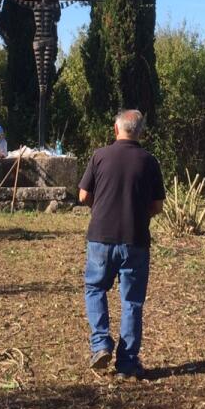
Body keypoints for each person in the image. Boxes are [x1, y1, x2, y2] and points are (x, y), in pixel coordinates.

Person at [79, 109, 166, 381]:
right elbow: (157, 206)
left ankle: (101, 344)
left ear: (116, 130)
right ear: (140, 132)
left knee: (95, 288)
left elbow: (83, 195)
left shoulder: (99, 156)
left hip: (101, 238)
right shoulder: (150, 161)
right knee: (131, 302)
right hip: (136, 240)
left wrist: (100, 207)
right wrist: (139, 214)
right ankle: (128, 363)